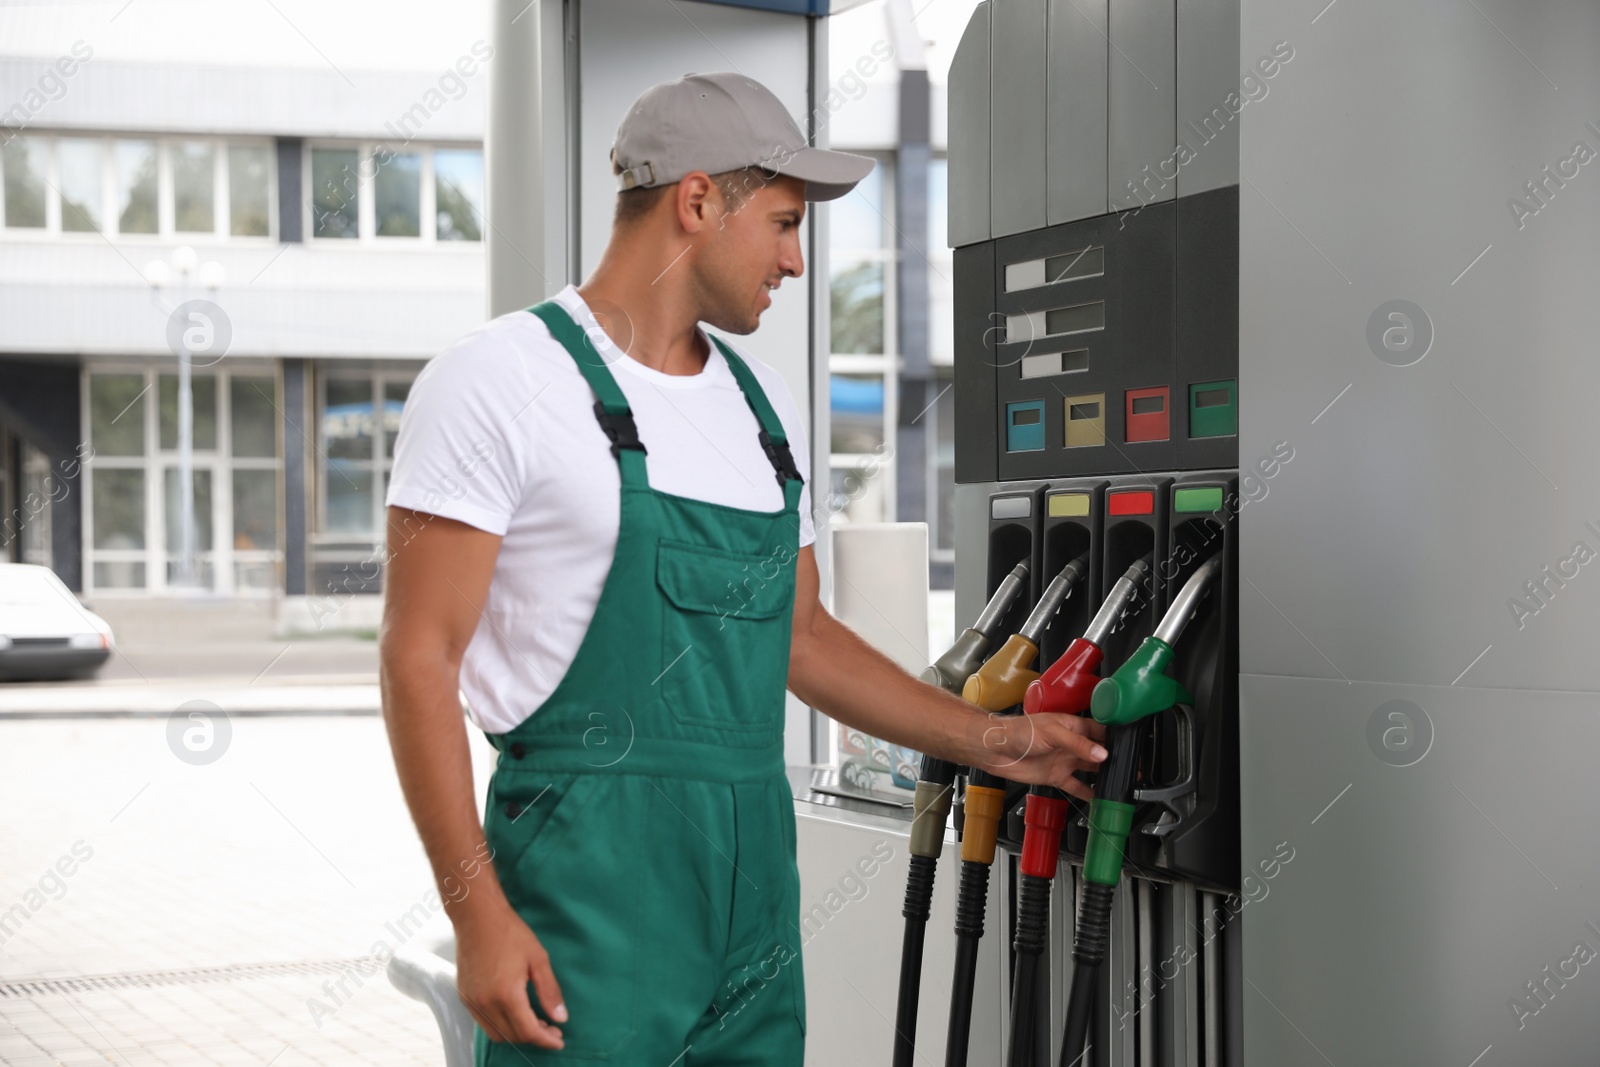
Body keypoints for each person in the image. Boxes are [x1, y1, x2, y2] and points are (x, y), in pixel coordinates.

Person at [379, 71, 1108, 1066]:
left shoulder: (759, 412)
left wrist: (999, 742)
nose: (796, 261)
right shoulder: (500, 379)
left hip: (754, 885)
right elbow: (418, 656)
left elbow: (801, 638)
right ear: (695, 200)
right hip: (590, 877)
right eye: (781, 223)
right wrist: (477, 915)